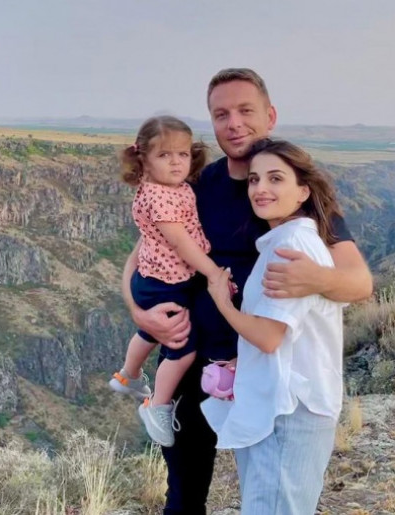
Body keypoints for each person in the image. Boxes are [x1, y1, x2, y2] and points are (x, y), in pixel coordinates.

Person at [121, 68, 374, 514]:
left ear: (269, 116)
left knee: (266, 489)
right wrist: (138, 312)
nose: (234, 123)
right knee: (183, 493)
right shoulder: (195, 186)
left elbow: (359, 282)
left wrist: (317, 278)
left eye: (245, 111)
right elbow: (143, 251)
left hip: (260, 370)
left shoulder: (288, 189)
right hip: (191, 359)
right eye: (222, 114)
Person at [202, 138, 346, 514]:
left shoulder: (290, 247)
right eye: (254, 180)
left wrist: (222, 301)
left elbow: (268, 337)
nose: (260, 188)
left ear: (303, 191)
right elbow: (289, 332)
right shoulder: (288, 241)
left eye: (275, 178)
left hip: (287, 415)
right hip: (287, 409)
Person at [109, 115, 230, 447]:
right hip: (167, 284)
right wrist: (213, 272)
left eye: (182, 154)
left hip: (151, 280)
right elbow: (180, 242)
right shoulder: (161, 196)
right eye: (164, 155)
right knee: (182, 348)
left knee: (150, 332)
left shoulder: (167, 188)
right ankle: (157, 405)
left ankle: (128, 375)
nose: (176, 162)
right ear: (144, 160)